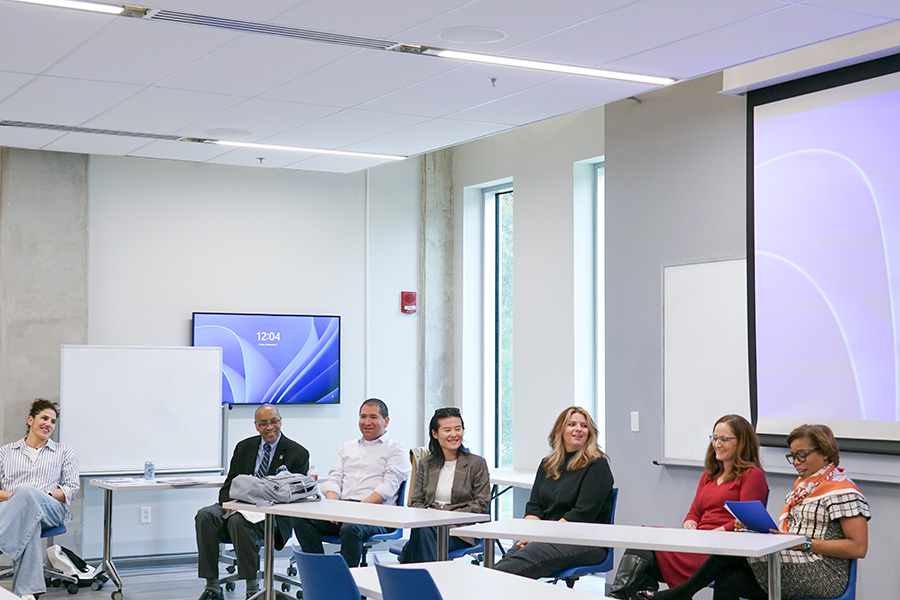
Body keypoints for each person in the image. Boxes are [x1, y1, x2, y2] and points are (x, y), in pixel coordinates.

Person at [639, 424, 870, 600]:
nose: (797, 462)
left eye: (803, 455)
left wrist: (803, 543)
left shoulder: (843, 491)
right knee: (728, 578)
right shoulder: (804, 486)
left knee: (729, 552)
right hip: (795, 559)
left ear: (826, 453)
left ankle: (681, 593)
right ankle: (681, 593)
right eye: (793, 456)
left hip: (822, 572)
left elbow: (858, 547)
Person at [610, 414, 768, 599]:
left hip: (722, 549)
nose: (717, 444)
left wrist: (721, 530)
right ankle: (618, 596)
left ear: (742, 442)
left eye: (724, 439)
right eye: (714, 438)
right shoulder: (710, 475)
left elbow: (748, 520)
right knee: (644, 541)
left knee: (648, 554)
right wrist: (690, 522)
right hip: (698, 542)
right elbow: (695, 511)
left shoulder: (752, 474)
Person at [195, 404, 309, 600]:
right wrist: (232, 504)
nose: (269, 427)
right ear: (256, 426)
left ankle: (253, 588)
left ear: (280, 421)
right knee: (205, 515)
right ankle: (212, 587)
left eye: (274, 422)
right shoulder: (244, 447)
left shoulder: (297, 453)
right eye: (263, 423)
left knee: (239, 520)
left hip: (271, 514)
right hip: (238, 505)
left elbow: (294, 497)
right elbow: (228, 486)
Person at [494, 406, 614, 579]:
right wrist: (531, 535)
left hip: (585, 541)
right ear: (560, 430)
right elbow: (534, 507)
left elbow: (582, 514)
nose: (579, 429)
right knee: (513, 557)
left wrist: (540, 537)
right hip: (547, 537)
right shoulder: (547, 464)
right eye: (572, 424)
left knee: (520, 562)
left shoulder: (597, 465)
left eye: (584, 425)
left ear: (590, 432)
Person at [294, 398, 411, 567]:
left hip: (377, 514)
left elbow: (387, 488)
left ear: (386, 421)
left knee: (351, 527)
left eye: (373, 417)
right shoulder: (347, 447)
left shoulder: (396, 448)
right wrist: (333, 508)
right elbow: (334, 479)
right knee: (300, 518)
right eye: (363, 417)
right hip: (343, 511)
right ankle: (319, 572)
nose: (367, 422)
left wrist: (352, 511)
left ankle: (348, 584)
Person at [0, 398, 79, 600]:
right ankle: (27, 593)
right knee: (28, 517)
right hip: (13, 510)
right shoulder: (5, 452)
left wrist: (38, 495)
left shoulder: (64, 452)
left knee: (28, 495)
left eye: (53, 421)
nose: (49, 424)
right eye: (44, 418)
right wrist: (22, 497)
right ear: (30, 420)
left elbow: (71, 489)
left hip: (51, 509)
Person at [399, 407, 491, 563]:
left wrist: (441, 514)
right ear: (435, 434)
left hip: (460, 531)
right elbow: (415, 501)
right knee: (423, 532)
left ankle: (417, 573)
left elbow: (480, 505)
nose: (454, 434)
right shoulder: (426, 464)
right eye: (447, 430)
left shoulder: (476, 464)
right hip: (429, 527)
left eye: (458, 429)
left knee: (419, 539)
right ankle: (432, 579)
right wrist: (431, 517)